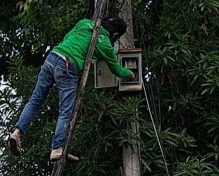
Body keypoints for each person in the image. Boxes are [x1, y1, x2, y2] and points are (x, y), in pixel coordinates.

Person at [9, 17, 135, 162]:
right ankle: (57, 149)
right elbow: (116, 69)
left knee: (35, 101)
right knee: (66, 109)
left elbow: (67, 37)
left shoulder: (84, 23)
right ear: (116, 35)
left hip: (52, 57)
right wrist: (130, 74)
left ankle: (17, 132)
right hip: (68, 65)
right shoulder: (105, 43)